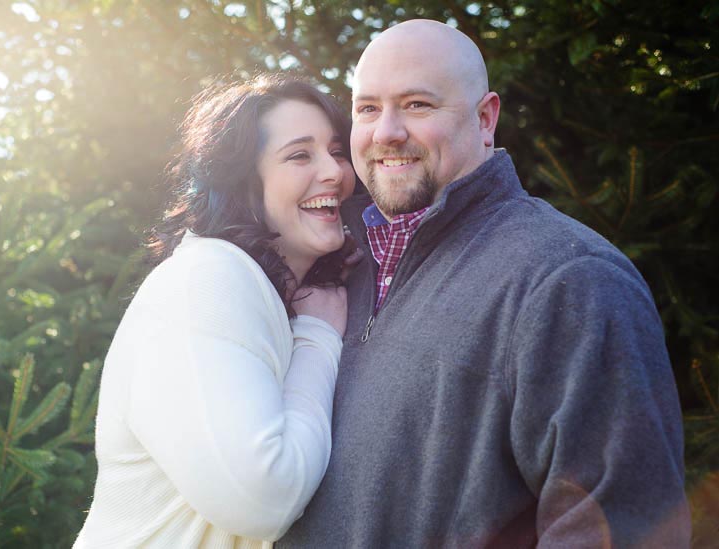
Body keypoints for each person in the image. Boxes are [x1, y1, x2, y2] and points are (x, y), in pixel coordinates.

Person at [278, 19, 690, 548]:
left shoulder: (571, 281)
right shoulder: (334, 264)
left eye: (418, 105)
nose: (387, 132)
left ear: (486, 118)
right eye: (367, 108)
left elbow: (624, 531)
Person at [73, 74, 357, 548]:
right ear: (245, 181)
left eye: (337, 150)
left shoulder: (263, 291)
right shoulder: (206, 278)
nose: (334, 172)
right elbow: (262, 499)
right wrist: (318, 336)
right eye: (299, 155)